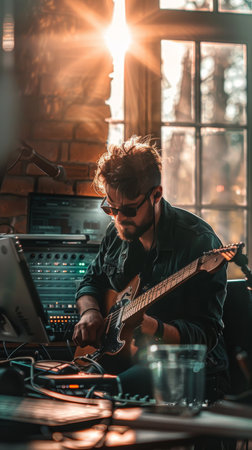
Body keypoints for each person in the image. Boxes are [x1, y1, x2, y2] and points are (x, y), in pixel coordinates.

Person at [72, 135, 230, 403]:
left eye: (130, 210)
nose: (119, 218)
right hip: (122, 358)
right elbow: (91, 280)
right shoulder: (116, 233)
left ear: (156, 194)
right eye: (111, 208)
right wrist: (90, 312)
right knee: (58, 383)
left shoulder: (199, 243)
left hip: (186, 370)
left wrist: (151, 326)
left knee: (102, 393)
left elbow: (205, 336)